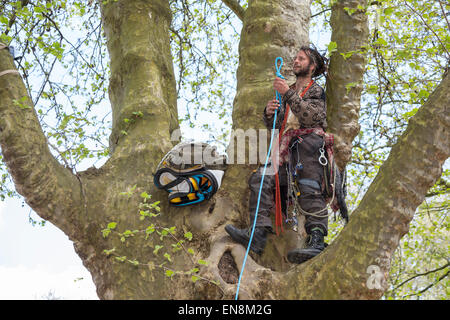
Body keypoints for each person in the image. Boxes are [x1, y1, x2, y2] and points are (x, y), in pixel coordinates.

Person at [225, 46, 335, 264]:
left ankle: (316, 241)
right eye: (295, 58)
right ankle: (257, 234)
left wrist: (287, 93)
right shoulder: (290, 89)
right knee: (261, 178)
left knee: (310, 187)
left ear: (312, 66)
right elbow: (279, 125)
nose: (296, 61)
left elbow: (311, 117)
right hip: (286, 151)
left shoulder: (315, 90)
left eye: (301, 59)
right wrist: (269, 113)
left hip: (310, 147)